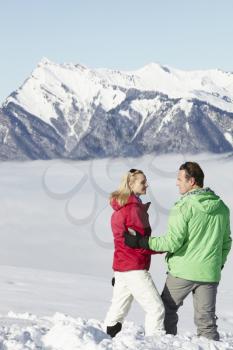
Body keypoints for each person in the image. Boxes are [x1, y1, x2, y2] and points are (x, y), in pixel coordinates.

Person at [124, 162, 232, 341]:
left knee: (165, 311)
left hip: (183, 271)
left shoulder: (183, 207)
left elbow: (172, 242)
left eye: (180, 179)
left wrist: (141, 242)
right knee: (206, 322)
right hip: (209, 273)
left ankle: (167, 344)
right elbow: (226, 242)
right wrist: (217, 264)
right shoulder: (222, 208)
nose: (176, 183)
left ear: (192, 181)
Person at [104, 168, 165, 338]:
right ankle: (156, 344)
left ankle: (105, 341)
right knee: (156, 308)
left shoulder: (119, 208)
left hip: (122, 267)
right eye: (142, 182)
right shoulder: (133, 210)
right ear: (131, 184)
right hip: (134, 267)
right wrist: (166, 246)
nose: (147, 184)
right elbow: (139, 243)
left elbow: (122, 242)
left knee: (117, 311)